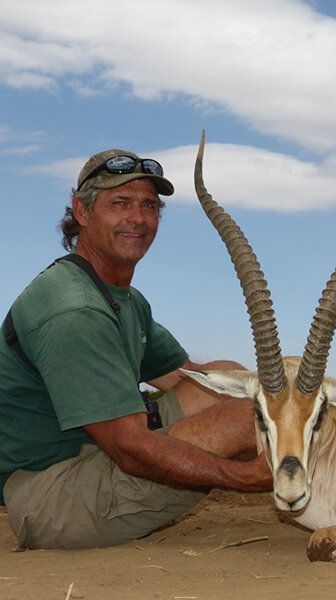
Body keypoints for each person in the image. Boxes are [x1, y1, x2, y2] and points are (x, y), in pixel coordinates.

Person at [0, 149, 272, 550]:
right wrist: (244, 477)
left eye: (148, 205)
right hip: (51, 494)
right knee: (251, 417)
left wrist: (285, 395)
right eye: (120, 204)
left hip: (97, 457)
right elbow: (129, 449)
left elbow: (188, 377)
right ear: (82, 212)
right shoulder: (74, 308)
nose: (139, 219)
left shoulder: (123, 299)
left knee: (231, 380)